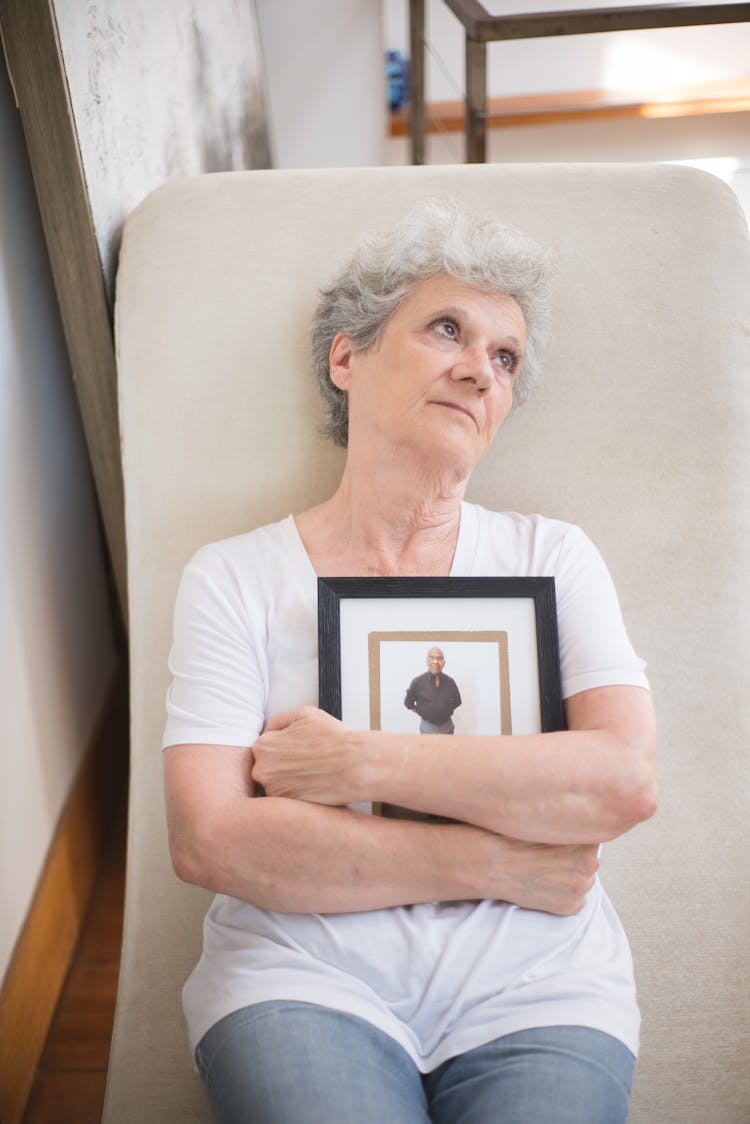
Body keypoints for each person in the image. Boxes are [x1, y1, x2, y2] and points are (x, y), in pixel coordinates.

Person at [162, 199, 657, 1124]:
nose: (479, 369)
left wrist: (361, 763)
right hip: (300, 978)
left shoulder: (553, 557)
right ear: (346, 358)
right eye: (446, 330)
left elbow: (622, 782)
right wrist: (499, 861)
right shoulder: (234, 575)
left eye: (505, 358)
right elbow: (210, 841)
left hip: (539, 988)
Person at [404, 646, 462, 734]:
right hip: (427, 726)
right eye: (432, 658)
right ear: (427, 661)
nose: (435, 662)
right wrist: (422, 712)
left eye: (439, 658)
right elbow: (408, 703)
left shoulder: (450, 682)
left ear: (444, 662)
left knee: (447, 748)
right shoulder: (417, 682)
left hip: (447, 726)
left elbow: (457, 701)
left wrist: (445, 711)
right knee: (427, 748)